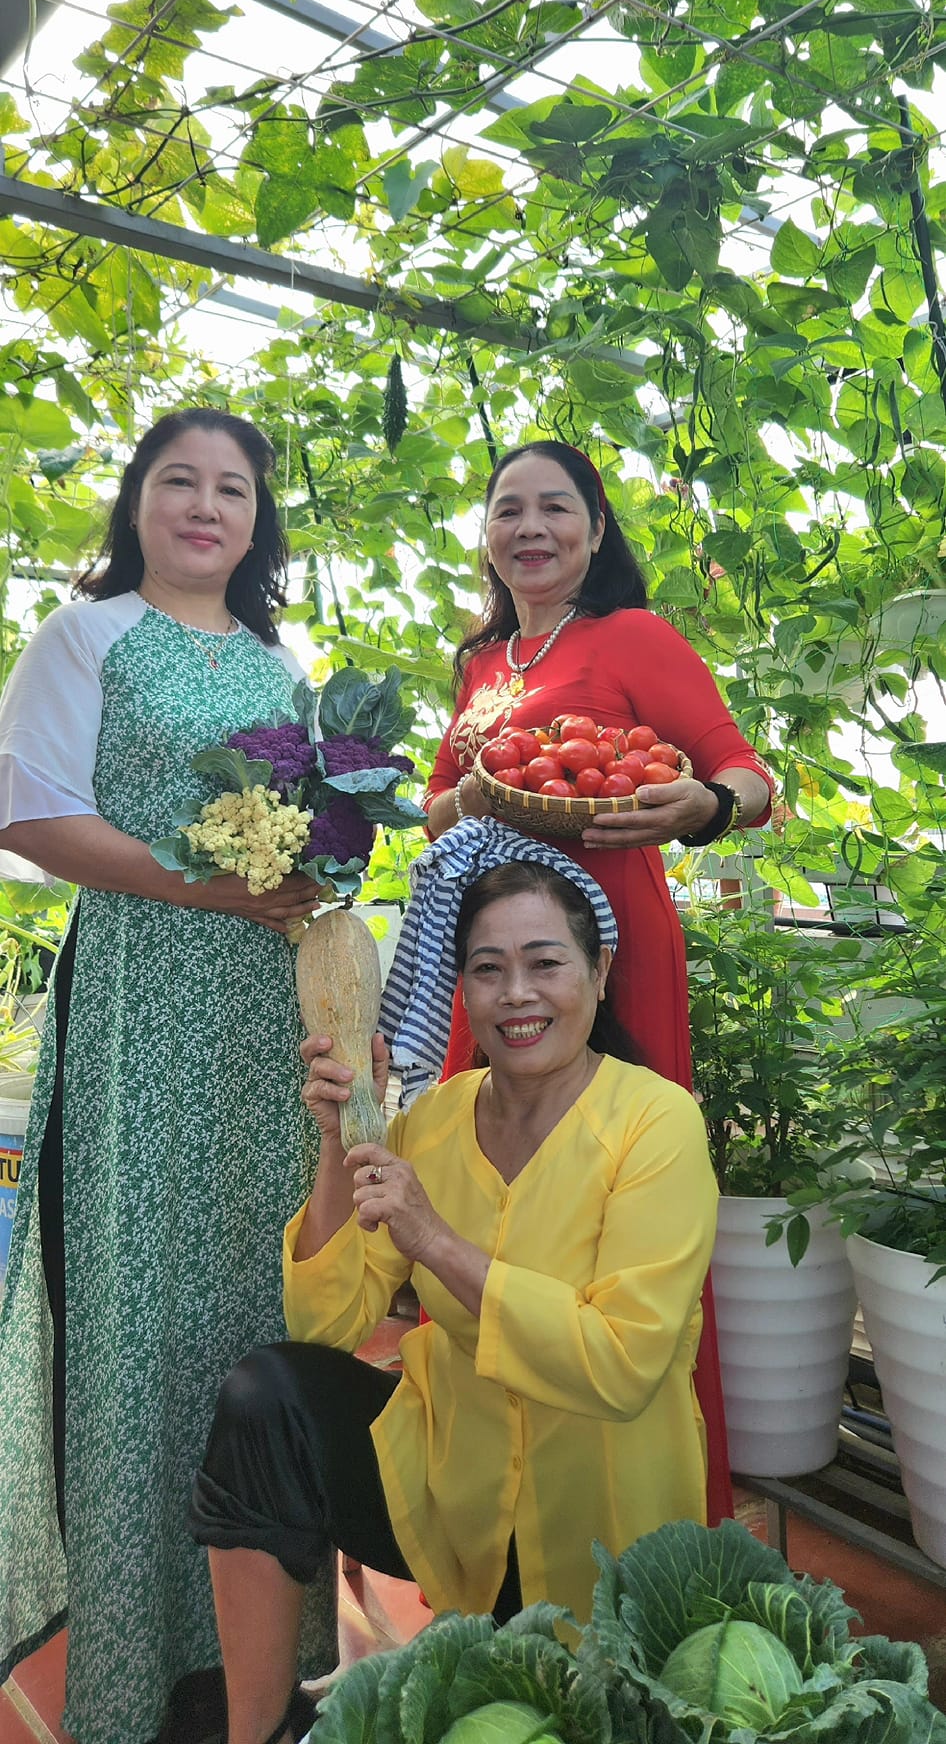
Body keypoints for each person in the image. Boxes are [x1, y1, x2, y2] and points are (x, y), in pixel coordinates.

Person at [190, 846, 718, 1744]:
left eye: (545, 963)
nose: (517, 994)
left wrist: (436, 1239)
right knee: (266, 1396)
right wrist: (341, 1137)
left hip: (597, 1521)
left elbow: (624, 1363)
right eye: (488, 969)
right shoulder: (432, 1120)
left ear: (599, 973)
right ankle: (258, 1732)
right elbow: (325, 1322)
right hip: (448, 1487)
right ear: (461, 989)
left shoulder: (655, 1122)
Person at [0, 409, 333, 1744]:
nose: (205, 505)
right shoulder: (85, 637)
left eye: (231, 488)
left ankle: (260, 1665)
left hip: (262, 1019)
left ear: (257, 523)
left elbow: (308, 832)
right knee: (133, 1312)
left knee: (258, 1296)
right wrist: (210, 886)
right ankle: (141, 1666)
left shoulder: (278, 664)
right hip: (138, 1012)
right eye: (178, 480)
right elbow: (32, 815)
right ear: (136, 501)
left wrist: (320, 869)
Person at [423, 439, 774, 1522]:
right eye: (508, 509)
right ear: (487, 532)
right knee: (486, 1173)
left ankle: (649, 1495)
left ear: (596, 526)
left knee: (620, 1185)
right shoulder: (480, 663)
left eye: (555, 507)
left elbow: (745, 773)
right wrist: (474, 801)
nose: (529, 527)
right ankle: (494, 1486)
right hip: (491, 948)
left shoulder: (633, 636)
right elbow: (436, 805)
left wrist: (704, 808)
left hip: (609, 951)